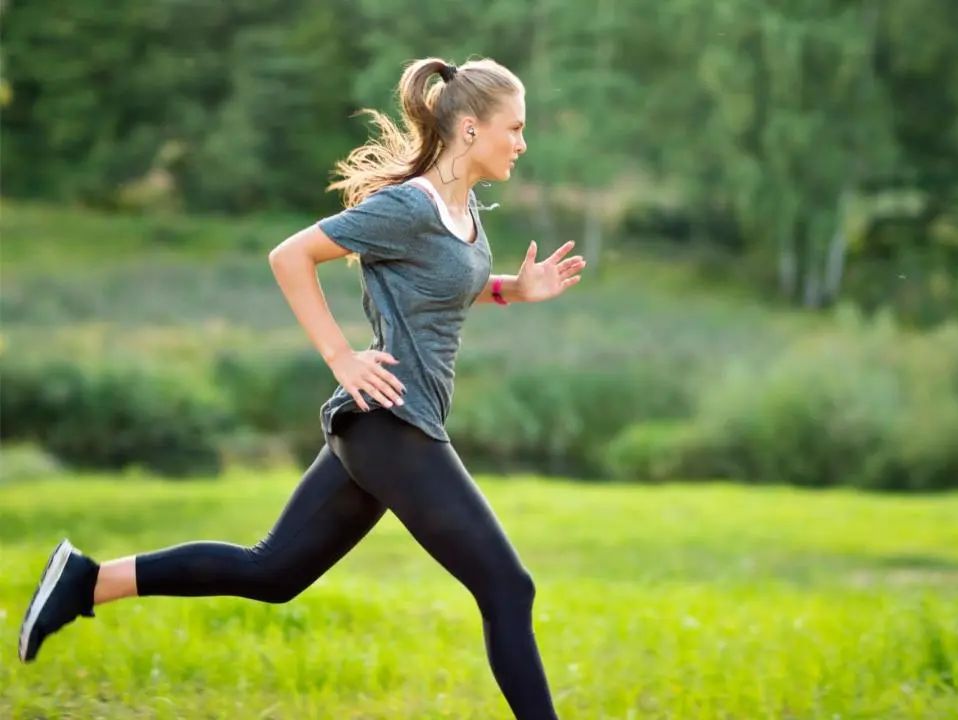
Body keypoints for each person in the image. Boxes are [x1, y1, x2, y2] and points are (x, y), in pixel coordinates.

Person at [18, 56, 586, 720]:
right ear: (468, 128)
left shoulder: (462, 211)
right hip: (391, 423)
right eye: (513, 128)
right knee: (508, 588)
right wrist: (342, 356)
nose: (522, 143)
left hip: (384, 425)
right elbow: (290, 256)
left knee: (273, 573)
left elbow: (437, 293)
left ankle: (86, 581)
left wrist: (513, 290)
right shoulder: (408, 206)